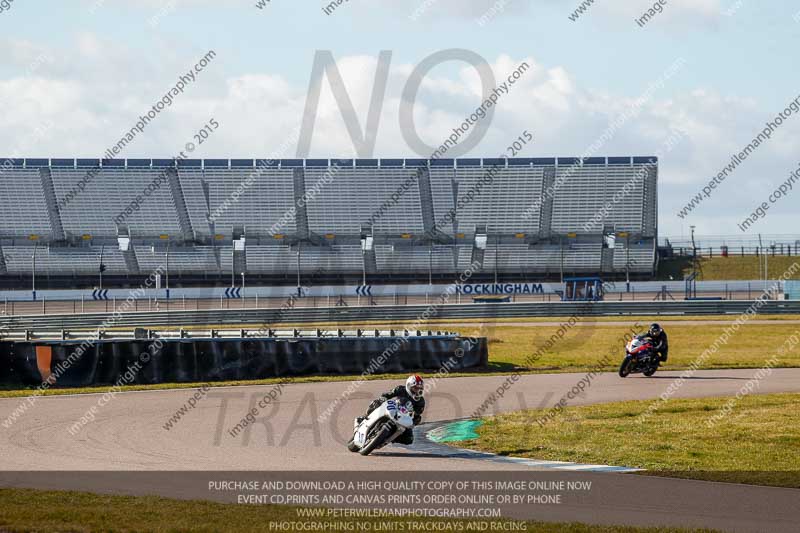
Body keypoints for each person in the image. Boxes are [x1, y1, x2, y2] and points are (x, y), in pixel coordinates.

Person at [358, 375, 425, 445]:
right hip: (392, 409)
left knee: (409, 439)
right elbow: (387, 395)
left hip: (403, 418)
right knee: (376, 403)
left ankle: (389, 438)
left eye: (419, 389)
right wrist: (383, 398)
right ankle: (364, 417)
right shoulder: (400, 389)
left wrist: (414, 422)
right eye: (415, 388)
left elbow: (417, 415)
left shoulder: (421, 401)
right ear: (408, 386)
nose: (417, 391)